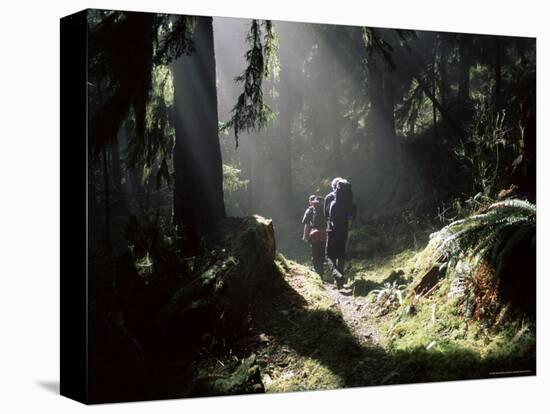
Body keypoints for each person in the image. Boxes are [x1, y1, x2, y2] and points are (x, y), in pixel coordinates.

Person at [325, 178, 355, 289]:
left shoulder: (328, 197)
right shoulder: (347, 198)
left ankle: (337, 275)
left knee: (329, 255)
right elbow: (351, 212)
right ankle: (340, 281)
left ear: (333, 187)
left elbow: (326, 215)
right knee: (341, 254)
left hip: (331, 230)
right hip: (344, 229)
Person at [302, 195, 327, 276]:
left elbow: (307, 224)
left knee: (315, 253)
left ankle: (318, 273)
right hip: (325, 234)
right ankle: (321, 271)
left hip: (314, 234)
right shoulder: (326, 209)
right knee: (322, 252)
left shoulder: (309, 210)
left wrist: (305, 235)